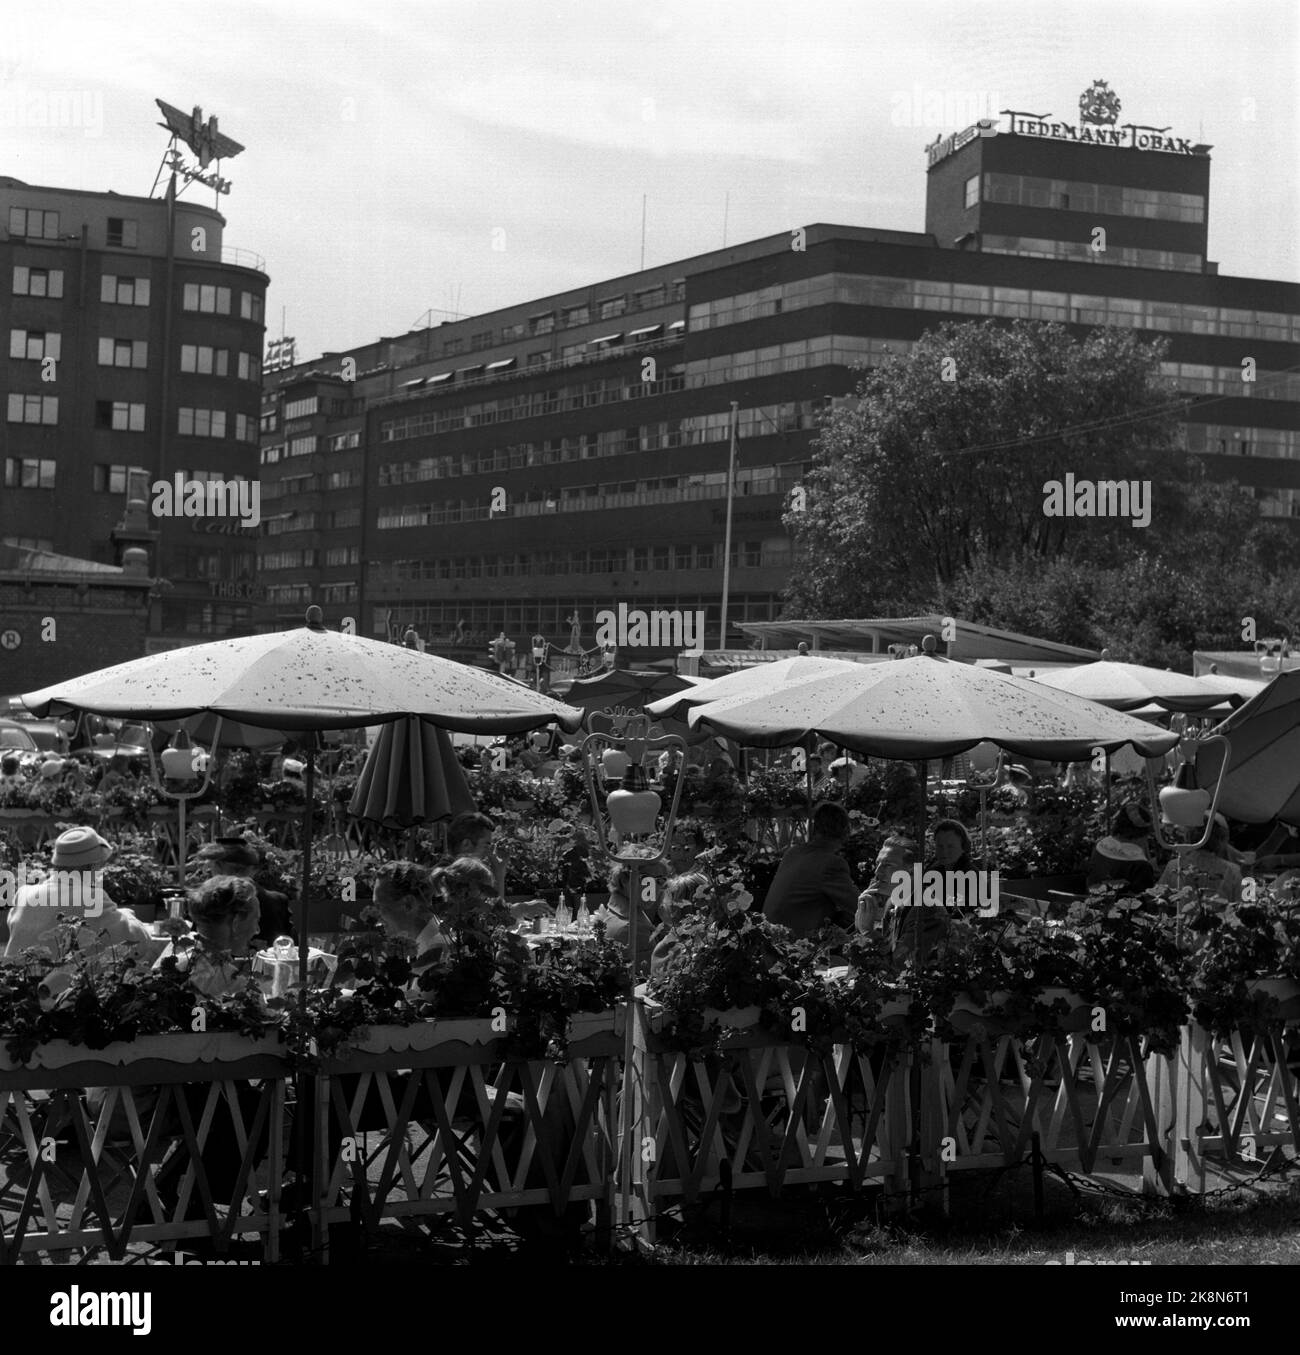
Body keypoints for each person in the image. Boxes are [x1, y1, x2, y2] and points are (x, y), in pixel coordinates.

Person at [3, 827, 159, 962]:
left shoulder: (24, 893)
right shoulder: (90, 898)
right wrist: (128, 915)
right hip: (57, 992)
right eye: (99, 867)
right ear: (91, 867)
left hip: (15, 988)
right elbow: (136, 942)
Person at [883, 819, 977, 967]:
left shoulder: (969, 875)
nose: (944, 851)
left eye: (950, 846)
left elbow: (961, 916)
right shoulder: (935, 868)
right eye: (940, 846)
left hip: (951, 941)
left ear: (963, 847)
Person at [762, 801, 859, 939]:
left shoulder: (793, 853)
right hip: (793, 949)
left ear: (814, 828)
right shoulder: (830, 863)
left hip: (769, 941)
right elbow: (860, 906)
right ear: (845, 832)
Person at [445, 810, 549, 921]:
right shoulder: (451, 876)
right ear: (466, 844)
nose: (489, 852)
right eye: (486, 845)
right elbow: (483, 920)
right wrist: (521, 908)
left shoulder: (460, 872)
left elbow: (495, 917)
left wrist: (499, 870)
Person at [192, 835, 295, 944]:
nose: (208, 871)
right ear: (253, 870)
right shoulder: (278, 900)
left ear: (218, 867)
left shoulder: (208, 902)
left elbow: (194, 946)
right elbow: (290, 947)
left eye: (210, 867)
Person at [593, 849, 669, 968]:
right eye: (645, 880)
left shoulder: (614, 911)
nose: (652, 889)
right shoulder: (635, 929)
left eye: (660, 881)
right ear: (624, 880)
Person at [1158, 813, 1242, 906]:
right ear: (1221, 838)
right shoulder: (1233, 870)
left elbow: (1158, 898)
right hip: (1221, 919)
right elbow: (1246, 906)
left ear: (1189, 836)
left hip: (1181, 919)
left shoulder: (1174, 865)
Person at [1086, 803, 1158, 891]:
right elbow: (1145, 896)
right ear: (1143, 833)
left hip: (1091, 897)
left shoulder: (1100, 845)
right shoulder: (1140, 865)